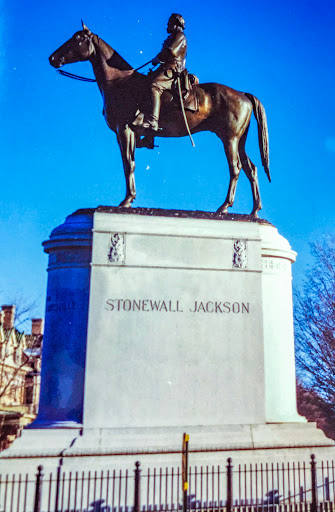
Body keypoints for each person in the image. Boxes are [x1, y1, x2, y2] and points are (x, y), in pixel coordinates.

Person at [134, 13, 187, 133]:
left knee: (155, 86)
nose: (167, 25)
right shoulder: (172, 36)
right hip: (165, 68)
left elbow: (172, 51)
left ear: (176, 23)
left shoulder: (179, 35)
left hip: (173, 70)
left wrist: (158, 58)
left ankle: (153, 121)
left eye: (170, 22)